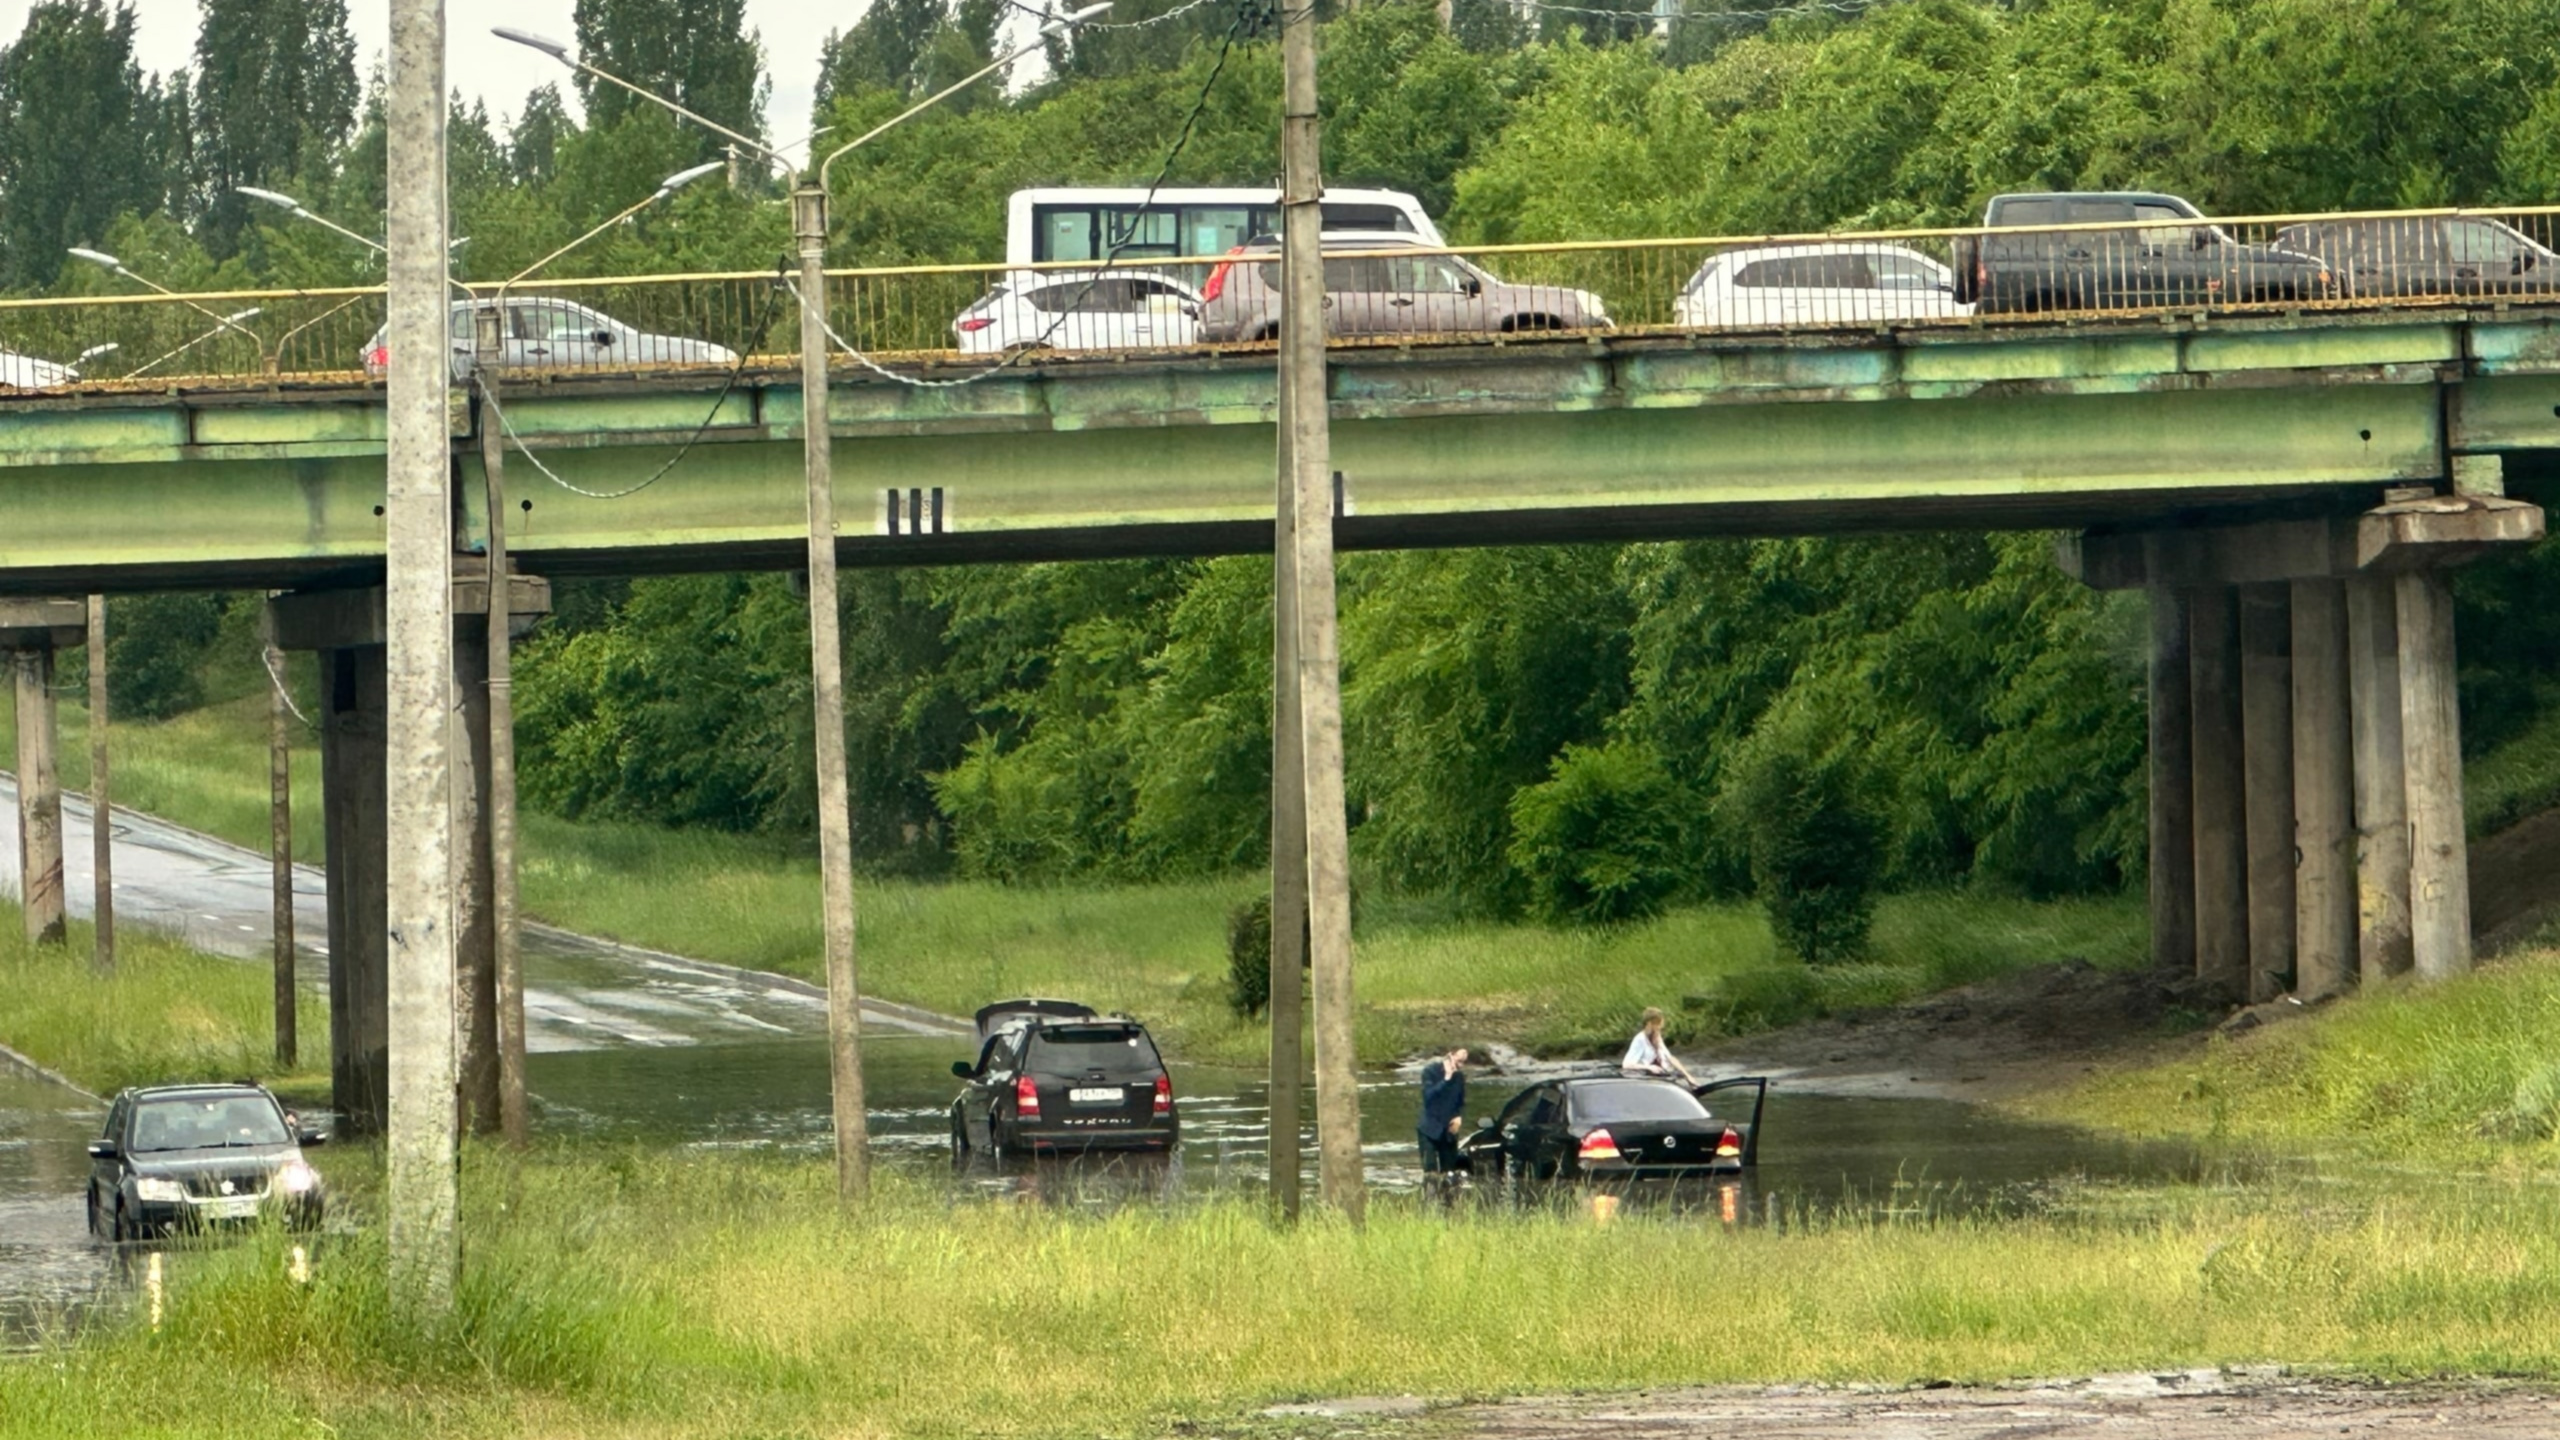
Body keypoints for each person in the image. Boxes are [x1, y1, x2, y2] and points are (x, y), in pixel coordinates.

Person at [1416, 1047, 1468, 1180]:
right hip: (1429, 1129)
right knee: (1431, 1173)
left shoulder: (1460, 1077)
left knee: (1449, 1173)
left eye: (1464, 1062)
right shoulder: (1430, 1072)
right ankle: (1431, 1198)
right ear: (1450, 1055)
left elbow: (1460, 1102)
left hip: (1449, 1130)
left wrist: (1458, 1117)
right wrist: (1446, 1079)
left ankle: (1448, 1198)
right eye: (1459, 1061)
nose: (1460, 1065)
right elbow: (1428, 1097)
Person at [1622, 1007, 1695, 1084]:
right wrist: (1649, 1068)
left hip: (1663, 1075)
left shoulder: (1657, 1037)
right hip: (1648, 1079)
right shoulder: (1640, 1039)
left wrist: (1687, 1076)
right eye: (1658, 1025)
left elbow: (1670, 1058)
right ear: (1649, 1024)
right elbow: (1627, 1064)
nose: (1660, 1028)